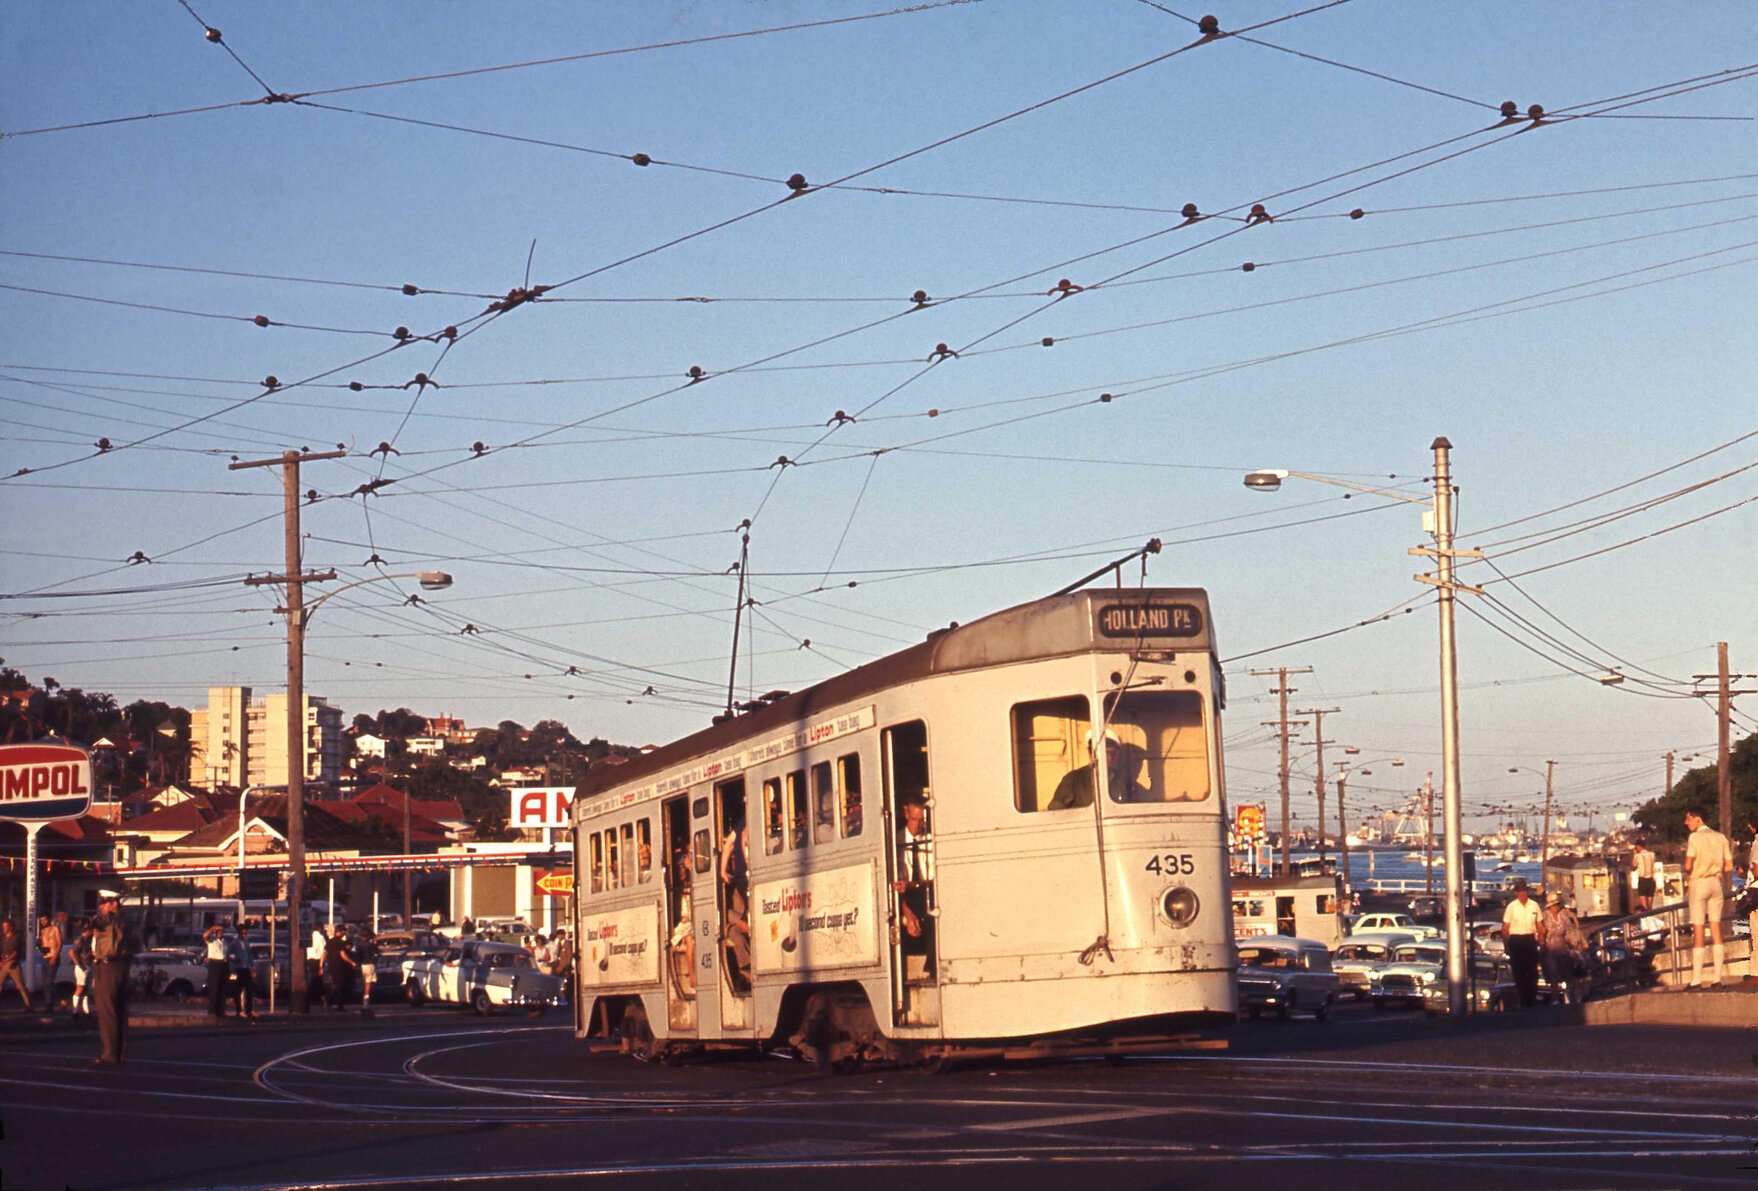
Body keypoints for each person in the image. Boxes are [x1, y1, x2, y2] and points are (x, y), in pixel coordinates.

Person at [1682, 805, 1732, 989]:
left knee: (1699, 930)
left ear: (1697, 819)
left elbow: (1688, 865)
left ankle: (1696, 980)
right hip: (1716, 884)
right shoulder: (1720, 837)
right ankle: (1717, 978)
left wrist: (1690, 869)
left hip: (1699, 882)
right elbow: (1729, 867)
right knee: (1716, 929)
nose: (1686, 823)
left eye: (1688, 819)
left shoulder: (1694, 838)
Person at [1047, 729, 1148, 810]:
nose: (1102, 757)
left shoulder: (1124, 781)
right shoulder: (1074, 779)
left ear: (1116, 756)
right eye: (1097, 752)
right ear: (1090, 754)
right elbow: (1055, 811)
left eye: (1109, 753)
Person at [893, 793, 935, 980]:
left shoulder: (931, 840)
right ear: (905, 813)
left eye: (921, 821)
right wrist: (907, 913)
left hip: (925, 893)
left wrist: (913, 885)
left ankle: (931, 966)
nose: (917, 825)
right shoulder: (896, 841)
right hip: (904, 901)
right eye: (913, 819)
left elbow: (932, 878)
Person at [90, 889, 135, 1064]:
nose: (115, 905)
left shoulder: (108, 920)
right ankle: (119, 1052)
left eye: (108, 903)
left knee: (107, 1011)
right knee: (120, 1011)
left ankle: (110, 1053)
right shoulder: (125, 922)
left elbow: (96, 922)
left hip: (108, 967)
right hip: (121, 966)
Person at [1536, 892, 1588, 1005]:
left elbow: (1569, 930)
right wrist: (1542, 944)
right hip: (1549, 949)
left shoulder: (1563, 915)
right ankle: (1555, 999)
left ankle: (1569, 997)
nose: (1556, 907)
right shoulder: (1544, 916)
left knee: (1568, 973)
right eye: (1555, 905)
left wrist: (1573, 943)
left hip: (1563, 948)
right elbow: (1539, 932)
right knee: (1553, 975)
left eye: (1558, 904)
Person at [719, 817, 752, 990]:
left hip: (745, 919)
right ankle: (746, 970)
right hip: (729, 924)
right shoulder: (730, 883)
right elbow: (724, 910)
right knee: (737, 936)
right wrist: (740, 922)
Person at [1502, 881, 1543, 1007]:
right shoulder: (1511, 907)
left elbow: (1540, 925)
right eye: (1520, 892)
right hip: (1516, 941)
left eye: (1525, 891)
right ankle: (1523, 998)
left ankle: (1532, 998)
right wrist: (1506, 945)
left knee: (1532, 972)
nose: (1523, 894)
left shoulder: (1534, 906)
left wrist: (1541, 942)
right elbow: (1505, 928)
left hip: (1530, 940)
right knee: (1519, 971)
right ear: (1516, 893)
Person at [323, 927, 359, 1010]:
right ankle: (330, 998)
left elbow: (324, 953)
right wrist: (352, 962)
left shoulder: (329, 942)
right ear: (340, 932)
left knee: (337, 983)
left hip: (331, 965)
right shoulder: (341, 942)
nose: (344, 933)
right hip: (339, 965)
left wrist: (321, 965)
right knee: (341, 984)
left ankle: (337, 1003)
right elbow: (343, 955)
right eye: (343, 931)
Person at [229, 927, 258, 1021]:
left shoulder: (247, 942)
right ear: (239, 933)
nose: (244, 935)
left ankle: (249, 1010)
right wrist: (235, 959)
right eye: (243, 933)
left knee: (249, 990)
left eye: (246, 933)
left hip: (247, 968)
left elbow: (250, 955)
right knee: (238, 990)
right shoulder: (235, 943)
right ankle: (239, 1011)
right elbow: (229, 954)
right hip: (239, 968)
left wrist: (252, 968)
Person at [0, 920, 30, 1011]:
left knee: (20, 985)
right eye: (3, 926)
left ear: (11, 928)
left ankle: (28, 1005)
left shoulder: (15, 938)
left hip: (13, 964)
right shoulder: (3, 938)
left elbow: (15, 952)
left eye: (6, 927)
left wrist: (4, 961)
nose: (3, 928)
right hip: (4, 964)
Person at [202, 924, 230, 1018]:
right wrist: (213, 928)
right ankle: (212, 1011)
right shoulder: (212, 940)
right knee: (214, 987)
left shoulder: (225, 941)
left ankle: (221, 1010)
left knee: (222, 988)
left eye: (221, 931)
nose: (219, 932)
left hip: (223, 963)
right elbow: (205, 936)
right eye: (218, 931)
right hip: (214, 963)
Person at [37, 914, 64, 1011]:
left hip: (53, 956)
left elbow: (60, 943)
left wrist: (55, 957)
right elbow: (43, 944)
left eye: (45, 919)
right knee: (46, 983)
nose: (43, 922)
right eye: (42, 920)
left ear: (48, 919)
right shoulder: (43, 931)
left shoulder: (55, 929)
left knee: (49, 981)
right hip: (45, 957)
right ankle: (50, 1002)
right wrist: (41, 950)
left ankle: (54, 1001)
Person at [70, 919, 94, 1021]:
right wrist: (78, 963)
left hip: (88, 965)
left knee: (86, 989)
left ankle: (86, 1010)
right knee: (80, 988)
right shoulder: (80, 940)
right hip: (82, 966)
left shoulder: (88, 941)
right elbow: (72, 952)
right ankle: (75, 1011)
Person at [1631, 839, 1656, 914]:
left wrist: (1634, 854)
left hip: (1643, 880)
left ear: (1638, 846)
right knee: (1650, 905)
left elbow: (1633, 868)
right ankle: (1651, 917)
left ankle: (1646, 919)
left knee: (1644, 906)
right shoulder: (1652, 854)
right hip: (1651, 880)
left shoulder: (1637, 856)